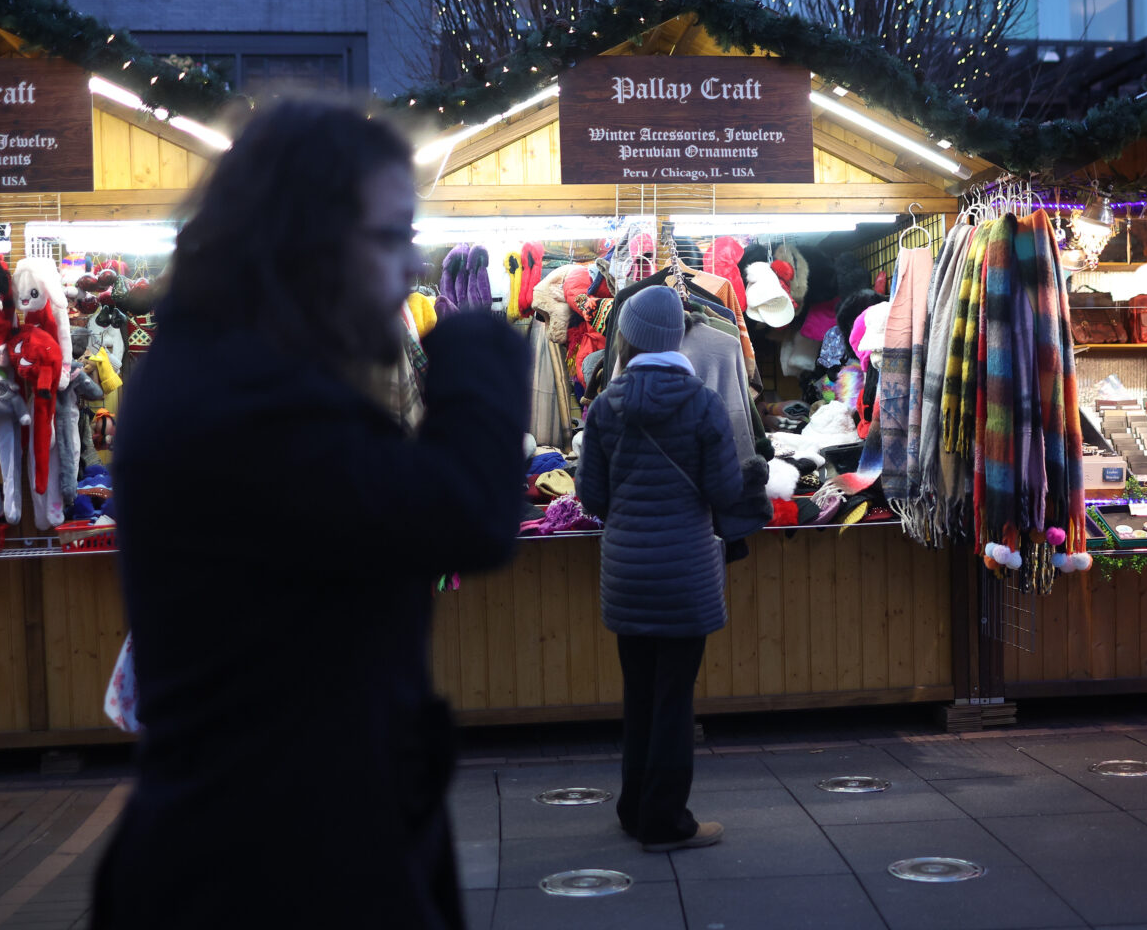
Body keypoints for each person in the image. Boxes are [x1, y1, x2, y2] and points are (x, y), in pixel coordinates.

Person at [91, 100, 529, 929]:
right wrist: (475, 345)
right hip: (268, 871)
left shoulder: (226, 373)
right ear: (309, 239)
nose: (410, 268)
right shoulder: (238, 400)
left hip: (277, 844)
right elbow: (463, 514)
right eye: (392, 236)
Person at [574, 285, 743, 852]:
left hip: (626, 573)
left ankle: (633, 807)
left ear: (627, 335)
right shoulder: (702, 404)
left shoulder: (604, 405)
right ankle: (666, 822)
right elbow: (723, 490)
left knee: (639, 694)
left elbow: (592, 497)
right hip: (686, 574)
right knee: (675, 699)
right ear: (676, 336)